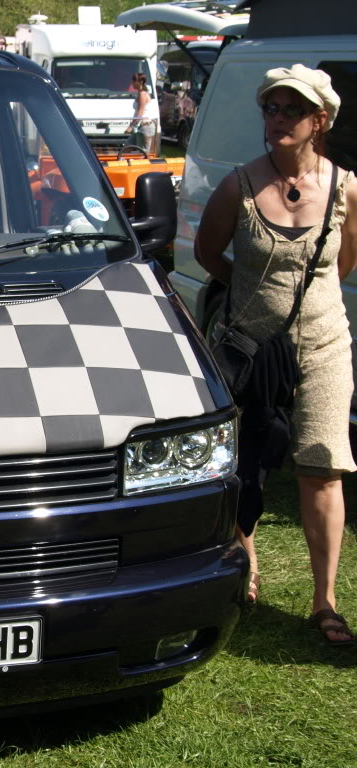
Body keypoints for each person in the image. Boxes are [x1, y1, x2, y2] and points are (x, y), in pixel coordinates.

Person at [195, 63, 356, 646]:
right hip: (250, 344)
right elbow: (208, 252)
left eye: (291, 109)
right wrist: (254, 300)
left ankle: (325, 601)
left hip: (323, 342)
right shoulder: (238, 185)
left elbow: (342, 265)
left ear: (321, 120)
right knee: (248, 461)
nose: (278, 118)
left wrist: (305, 306)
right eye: (271, 108)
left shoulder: (345, 187)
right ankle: (247, 566)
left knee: (321, 464)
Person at [126, 72, 155, 154]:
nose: (132, 84)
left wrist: (131, 126)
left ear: (140, 82)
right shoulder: (140, 93)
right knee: (127, 148)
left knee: (142, 153)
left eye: (134, 82)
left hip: (145, 126)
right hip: (139, 127)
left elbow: (140, 111)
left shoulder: (142, 94)